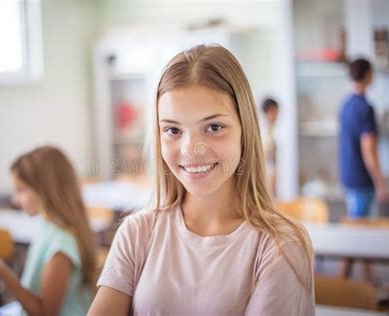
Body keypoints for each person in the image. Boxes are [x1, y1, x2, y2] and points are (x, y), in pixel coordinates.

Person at [89, 45, 315, 315]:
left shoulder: (280, 246)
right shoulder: (137, 233)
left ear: (245, 130)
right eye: (173, 130)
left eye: (214, 127)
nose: (191, 149)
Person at [0, 146, 97, 315]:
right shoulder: (48, 226)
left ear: (44, 189)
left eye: (21, 189)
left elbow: (45, 313)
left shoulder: (61, 244)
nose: (15, 199)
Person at [338, 58, 389, 282]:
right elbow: (369, 150)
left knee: (360, 230)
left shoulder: (346, 104)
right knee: (356, 234)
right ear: (368, 75)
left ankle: (368, 282)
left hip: (348, 174)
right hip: (361, 178)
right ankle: (339, 284)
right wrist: (380, 183)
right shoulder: (365, 108)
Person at [261, 97, 279, 197]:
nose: (277, 116)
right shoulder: (264, 133)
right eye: (275, 112)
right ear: (269, 111)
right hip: (266, 180)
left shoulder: (270, 131)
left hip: (270, 180)